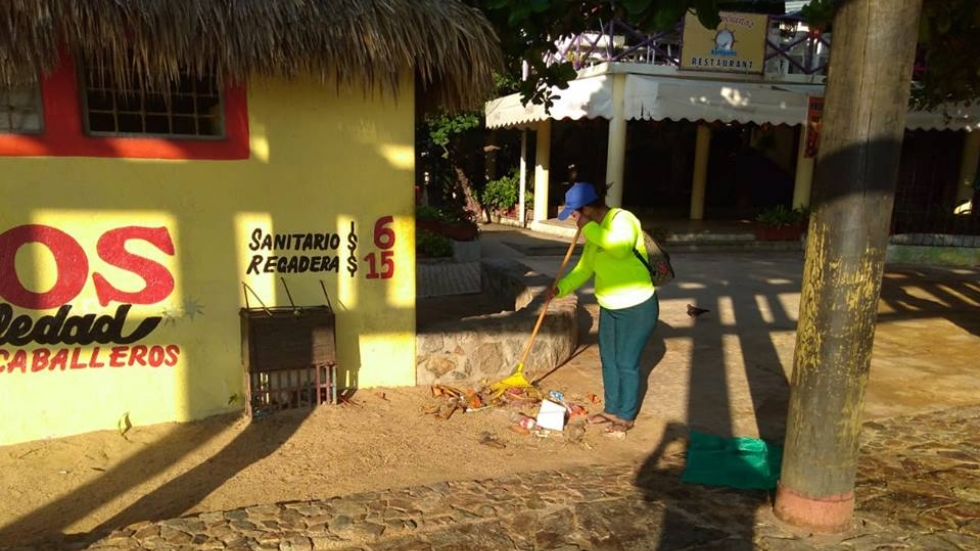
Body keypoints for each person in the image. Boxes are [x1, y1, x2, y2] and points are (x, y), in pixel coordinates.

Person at [546, 182, 659, 437]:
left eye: (575, 214)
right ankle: (611, 409)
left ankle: (626, 416)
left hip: (637, 307)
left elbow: (618, 249)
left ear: (586, 209)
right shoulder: (594, 233)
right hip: (610, 308)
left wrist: (588, 228)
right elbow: (584, 269)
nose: (574, 220)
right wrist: (560, 288)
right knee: (608, 360)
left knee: (626, 362)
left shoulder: (623, 220)